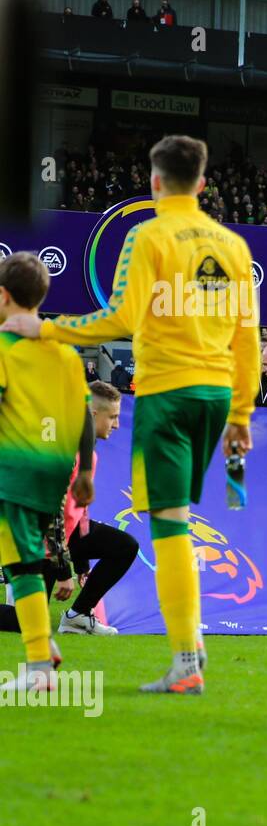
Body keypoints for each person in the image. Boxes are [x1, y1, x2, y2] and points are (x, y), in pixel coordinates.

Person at [1, 135, 261, 696]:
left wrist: (46, 328)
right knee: (179, 519)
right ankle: (189, 649)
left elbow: (118, 318)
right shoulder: (233, 247)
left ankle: (188, 661)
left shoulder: (149, 236)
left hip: (167, 394)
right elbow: (248, 339)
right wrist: (240, 415)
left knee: (168, 527)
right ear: (204, 183)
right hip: (217, 398)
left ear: (155, 182)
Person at [0, 252, 94, 694]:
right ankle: (44, 652)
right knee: (24, 559)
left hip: (16, 469)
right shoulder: (64, 352)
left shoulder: (4, 346)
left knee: (19, 565)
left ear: (3, 296)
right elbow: (83, 415)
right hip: (55, 471)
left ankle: (39, 664)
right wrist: (87, 470)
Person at [0, 381, 137, 639]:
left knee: (124, 546)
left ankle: (78, 617)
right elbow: (52, 513)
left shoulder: (86, 450)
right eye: (113, 417)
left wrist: (82, 562)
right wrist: (65, 571)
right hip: (41, 541)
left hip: (62, 536)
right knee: (26, 622)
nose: (117, 425)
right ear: (94, 415)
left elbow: (78, 507)